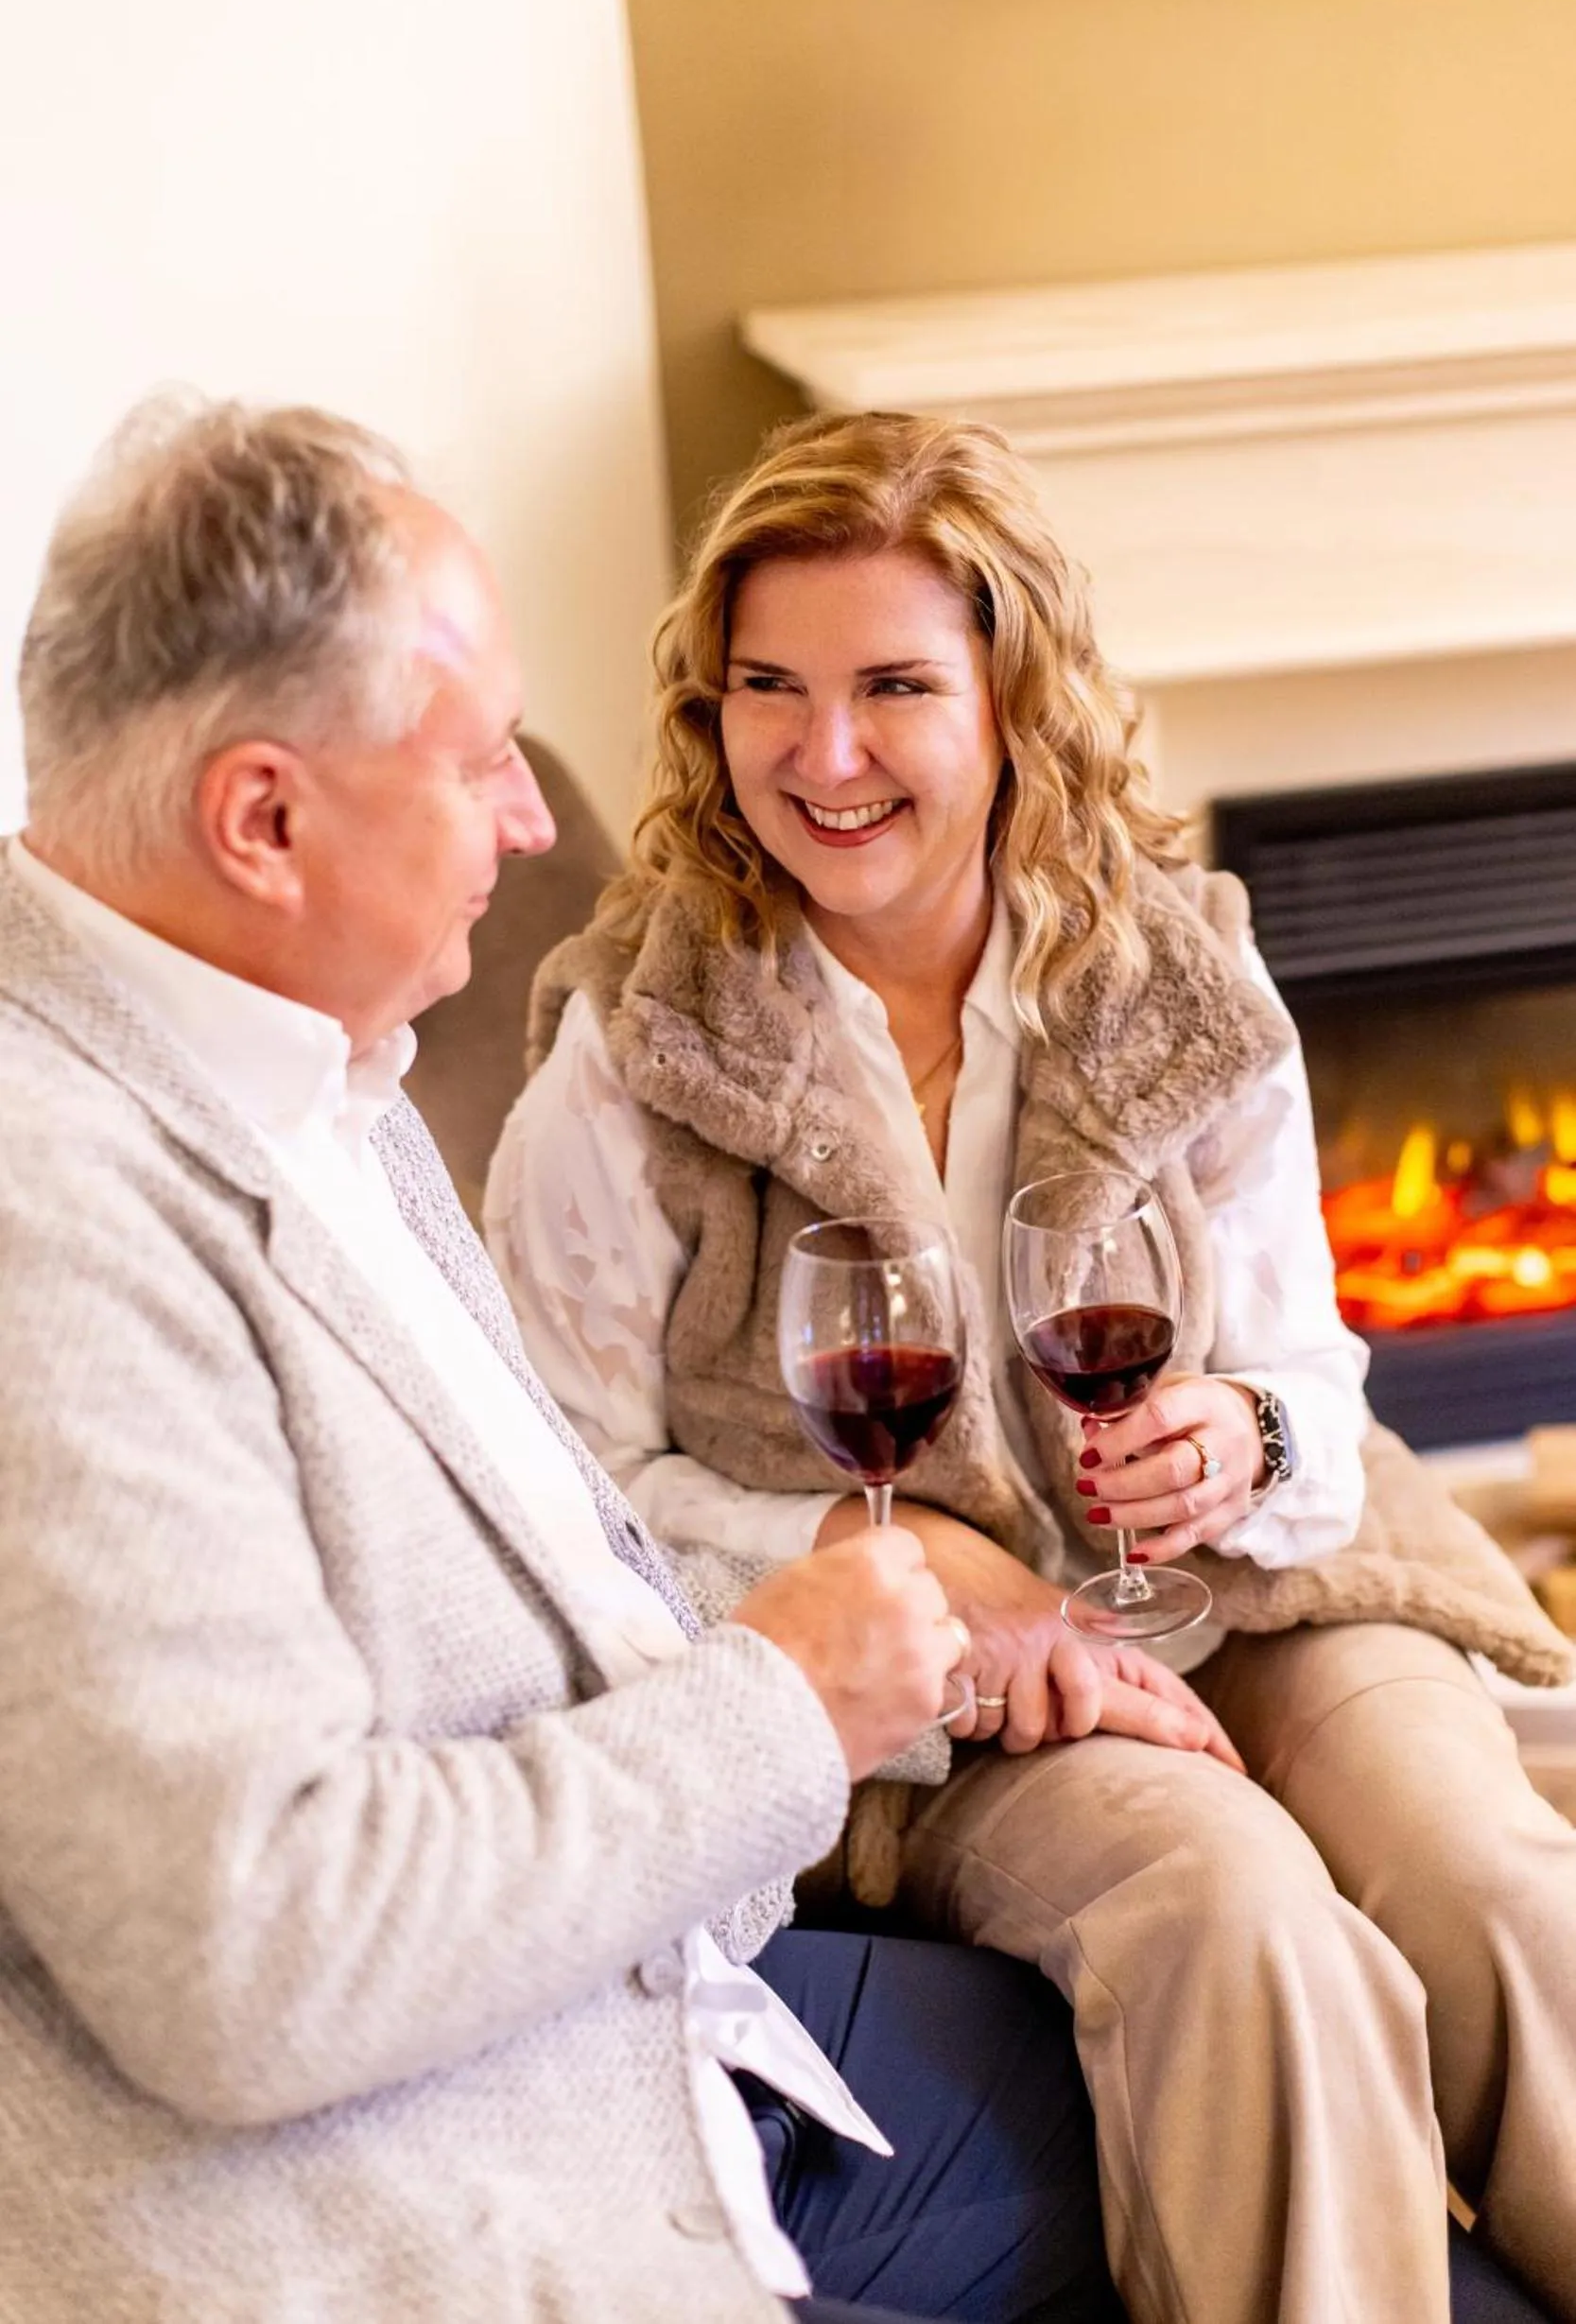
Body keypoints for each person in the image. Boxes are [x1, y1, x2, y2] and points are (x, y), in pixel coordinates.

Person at [0, 396, 1127, 2324]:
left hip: (632, 2026)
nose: (533, 822)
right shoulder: (56, 1221)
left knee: (1250, 2061)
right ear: (260, 816)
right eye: (474, 765)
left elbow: (541, 1578)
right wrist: (784, 1700)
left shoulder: (308, 1064)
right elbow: (257, 1946)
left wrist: (908, 1603)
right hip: (410, 2197)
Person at [489, 408, 1576, 2324]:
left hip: (1245, 1591)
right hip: (938, 1700)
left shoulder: (1175, 975)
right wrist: (903, 1567)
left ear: (1010, 701)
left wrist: (1233, 1434)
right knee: (1239, 1914)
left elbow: (1312, 1382)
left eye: (892, 686)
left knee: (1500, 1881)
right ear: (709, 706)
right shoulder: (636, 1049)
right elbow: (556, 1503)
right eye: (768, 688)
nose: (821, 755)